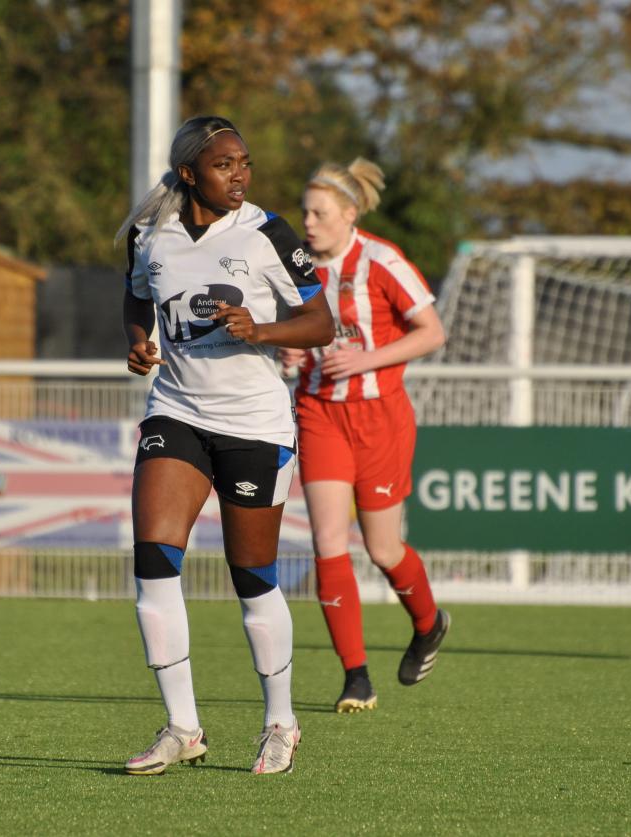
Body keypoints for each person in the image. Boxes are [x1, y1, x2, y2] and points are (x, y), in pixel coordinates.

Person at [115, 115, 333, 776]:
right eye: (224, 164)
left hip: (254, 422)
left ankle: (281, 722)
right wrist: (138, 338)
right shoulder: (149, 234)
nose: (240, 174)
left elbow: (322, 320)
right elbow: (134, 296)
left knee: (251, 577)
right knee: (153, 563)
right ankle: (182, 725)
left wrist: (261, 330)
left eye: (244, 162)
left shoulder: (268, 231)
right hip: (176, 411)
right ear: (190, 172)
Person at [279, 158, 449, 714]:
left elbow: (432, 333)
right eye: (304, 210)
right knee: (328, 541)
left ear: (349, 214)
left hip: (379, 418)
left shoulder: (381, 260)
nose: (307, 222)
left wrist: (367, 359)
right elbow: (292, 333)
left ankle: (428, 623)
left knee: (382, 548)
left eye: (318, 212)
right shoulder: (294, 265)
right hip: (319, 413)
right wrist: (286, 349)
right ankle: (356, 678)